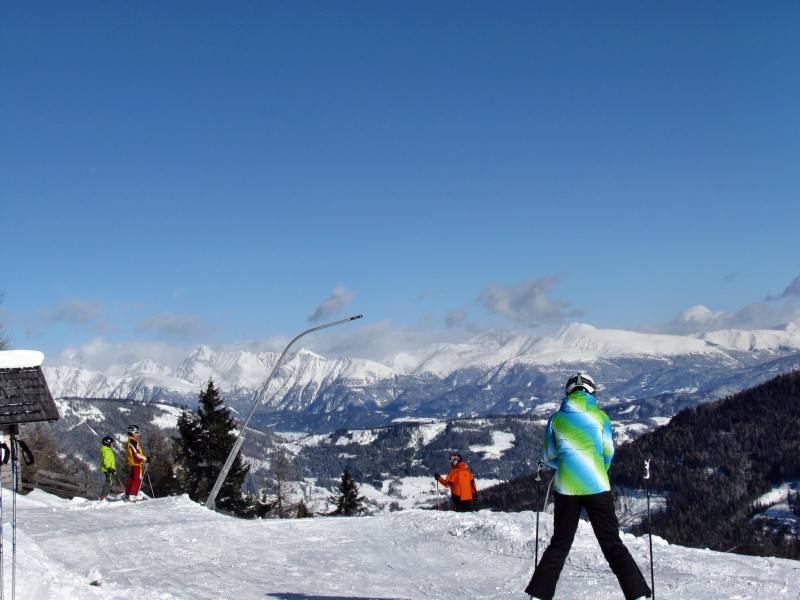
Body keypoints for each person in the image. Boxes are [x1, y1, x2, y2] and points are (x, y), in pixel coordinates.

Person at [525, 373, 651, 600]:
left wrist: (569, 465)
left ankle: (539, 595)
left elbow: (550, 456)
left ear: (568, 393)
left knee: (560, 543)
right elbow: (607, 454)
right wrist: (594, 469)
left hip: (566, 487)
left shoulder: (556, 419)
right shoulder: (601, 417)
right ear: (592, 392)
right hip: (597, 486)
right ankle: (638, 595)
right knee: (612, 543)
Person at [125, 425, 148, 501]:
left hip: (134, 462)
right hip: (136, 462)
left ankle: (128, 493)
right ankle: (133, 494)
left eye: (138, 432)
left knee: (133, 477)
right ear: (132, 433)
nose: (138, 434)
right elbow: (137, 454)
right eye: (136, 432)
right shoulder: (133, 441)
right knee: (138, 478)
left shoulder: (132, 440)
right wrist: (145, 459)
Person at [99, 436, 116, 500]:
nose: (112, 445)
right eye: (111, 443)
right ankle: (104, 496)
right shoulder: (107, 451)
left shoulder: (107, 450)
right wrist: (109, 468)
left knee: (110, 481)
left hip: (109, 468)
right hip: (108, 469)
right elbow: (105, 461)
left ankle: (105, 495)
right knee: (109, 481)